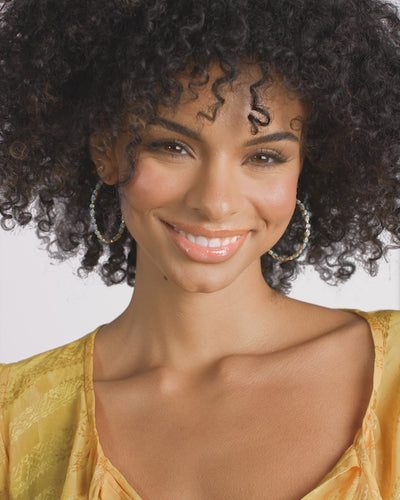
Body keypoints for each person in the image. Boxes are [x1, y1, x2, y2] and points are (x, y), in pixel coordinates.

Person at [0, 0, 400, 498]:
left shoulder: (392, 378)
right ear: (106, 150)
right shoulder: (16, 422)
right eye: (173, 147)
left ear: (306, 166)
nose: (215, 202)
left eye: (264, 156)